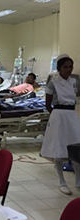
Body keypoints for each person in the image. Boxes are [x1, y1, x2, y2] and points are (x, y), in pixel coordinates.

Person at [40, 54, 80, 195]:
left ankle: (78, 180)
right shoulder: (53, 82)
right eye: (65, 67)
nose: (68, 70)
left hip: (71, 115)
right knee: (58, 148)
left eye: (70, 67)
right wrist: (55, 116)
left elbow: (76, 97)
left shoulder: (74, 81)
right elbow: (47, 103)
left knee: (76, 147)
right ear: (59, 68)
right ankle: (62, 181)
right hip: (58, 115)